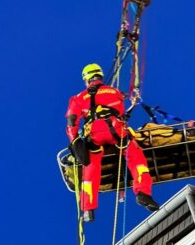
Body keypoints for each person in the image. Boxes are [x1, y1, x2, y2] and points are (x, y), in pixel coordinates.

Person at [66, 63, 159, 222]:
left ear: (87, 79)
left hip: (94, 134)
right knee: (137, 159)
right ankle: (143, 193)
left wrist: (74, 141)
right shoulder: (115, 92)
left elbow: (71, 121)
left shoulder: (78, 98)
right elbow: (121, 112)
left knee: (90, 167)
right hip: (116, 131)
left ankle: (88, 209)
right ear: (100, 76)